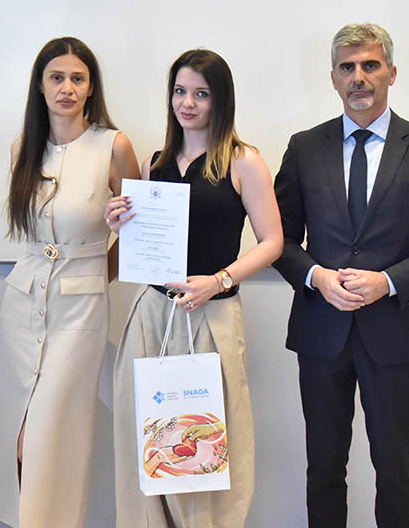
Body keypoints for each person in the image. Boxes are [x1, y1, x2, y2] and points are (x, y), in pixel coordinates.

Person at [272, 23, 409, 528]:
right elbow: (279, 242)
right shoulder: (304, 147)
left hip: (395, 333)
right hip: (321, 332)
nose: (358, 77)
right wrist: (316, 276)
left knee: (395, 469)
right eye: (347, 67)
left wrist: (388, 282)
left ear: (391, 73)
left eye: (370, 65)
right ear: (333, 78)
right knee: (323, 469)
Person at [106, 49, 283, 527]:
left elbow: (273, 242)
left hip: (212, 315)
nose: (188, 103)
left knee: (203, 442)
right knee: (149, 438)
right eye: (180, 92)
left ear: (220, 100)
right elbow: (146, 247)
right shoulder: (155, 162)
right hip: (151, 314)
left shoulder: (243, 161)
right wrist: (119, 223)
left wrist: (219, 280)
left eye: (201, 94)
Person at [0, 36, 139, 528]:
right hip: (23, 299)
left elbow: (140, 237)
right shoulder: (22, 148)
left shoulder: (113, 146)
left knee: (51, 435)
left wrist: (98, 273)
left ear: (91, 86)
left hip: (81, 307)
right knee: (17, 438)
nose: (67, 88)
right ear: (40, 85)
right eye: (57, 78)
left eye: (77, 78)